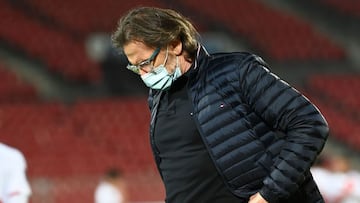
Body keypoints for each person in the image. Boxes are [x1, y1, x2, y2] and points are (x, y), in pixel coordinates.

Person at [111, 7, 329, 203]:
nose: (143, 74)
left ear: (175, 44)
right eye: (135, 67)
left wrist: (268, 195)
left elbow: (309, 124)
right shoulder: (157, 97)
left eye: (146, 63)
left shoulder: (236, 71)